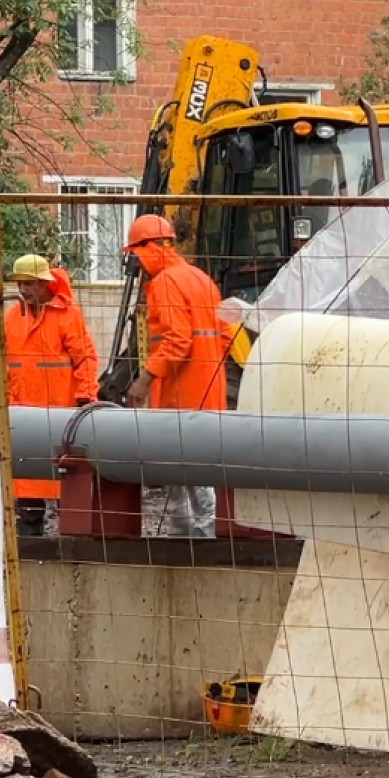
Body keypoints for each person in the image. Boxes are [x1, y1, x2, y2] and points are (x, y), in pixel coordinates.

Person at [123, 214, 227, 538]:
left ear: (149, 247)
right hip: (209, 389)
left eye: (136, 255)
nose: (137, 265)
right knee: (201, 463)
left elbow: (177, 341)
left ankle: (190, 534)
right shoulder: (200, 278)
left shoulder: (166, 283)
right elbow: (224, 334)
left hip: (180, 391)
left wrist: (145, 379)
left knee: (180, 463)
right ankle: (197, 530)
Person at [4, 253, 99, 536]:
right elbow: (3, 363)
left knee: (65, 482)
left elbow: (85, 360)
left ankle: (72, 540)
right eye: (20, 284)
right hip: (22, 415)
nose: (23, 290)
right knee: (27, 487)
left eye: (29, 283)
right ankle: (30, 541)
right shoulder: (12, 318)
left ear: (46, 284)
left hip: (61, 416)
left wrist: (85, 396)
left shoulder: (67, 316)